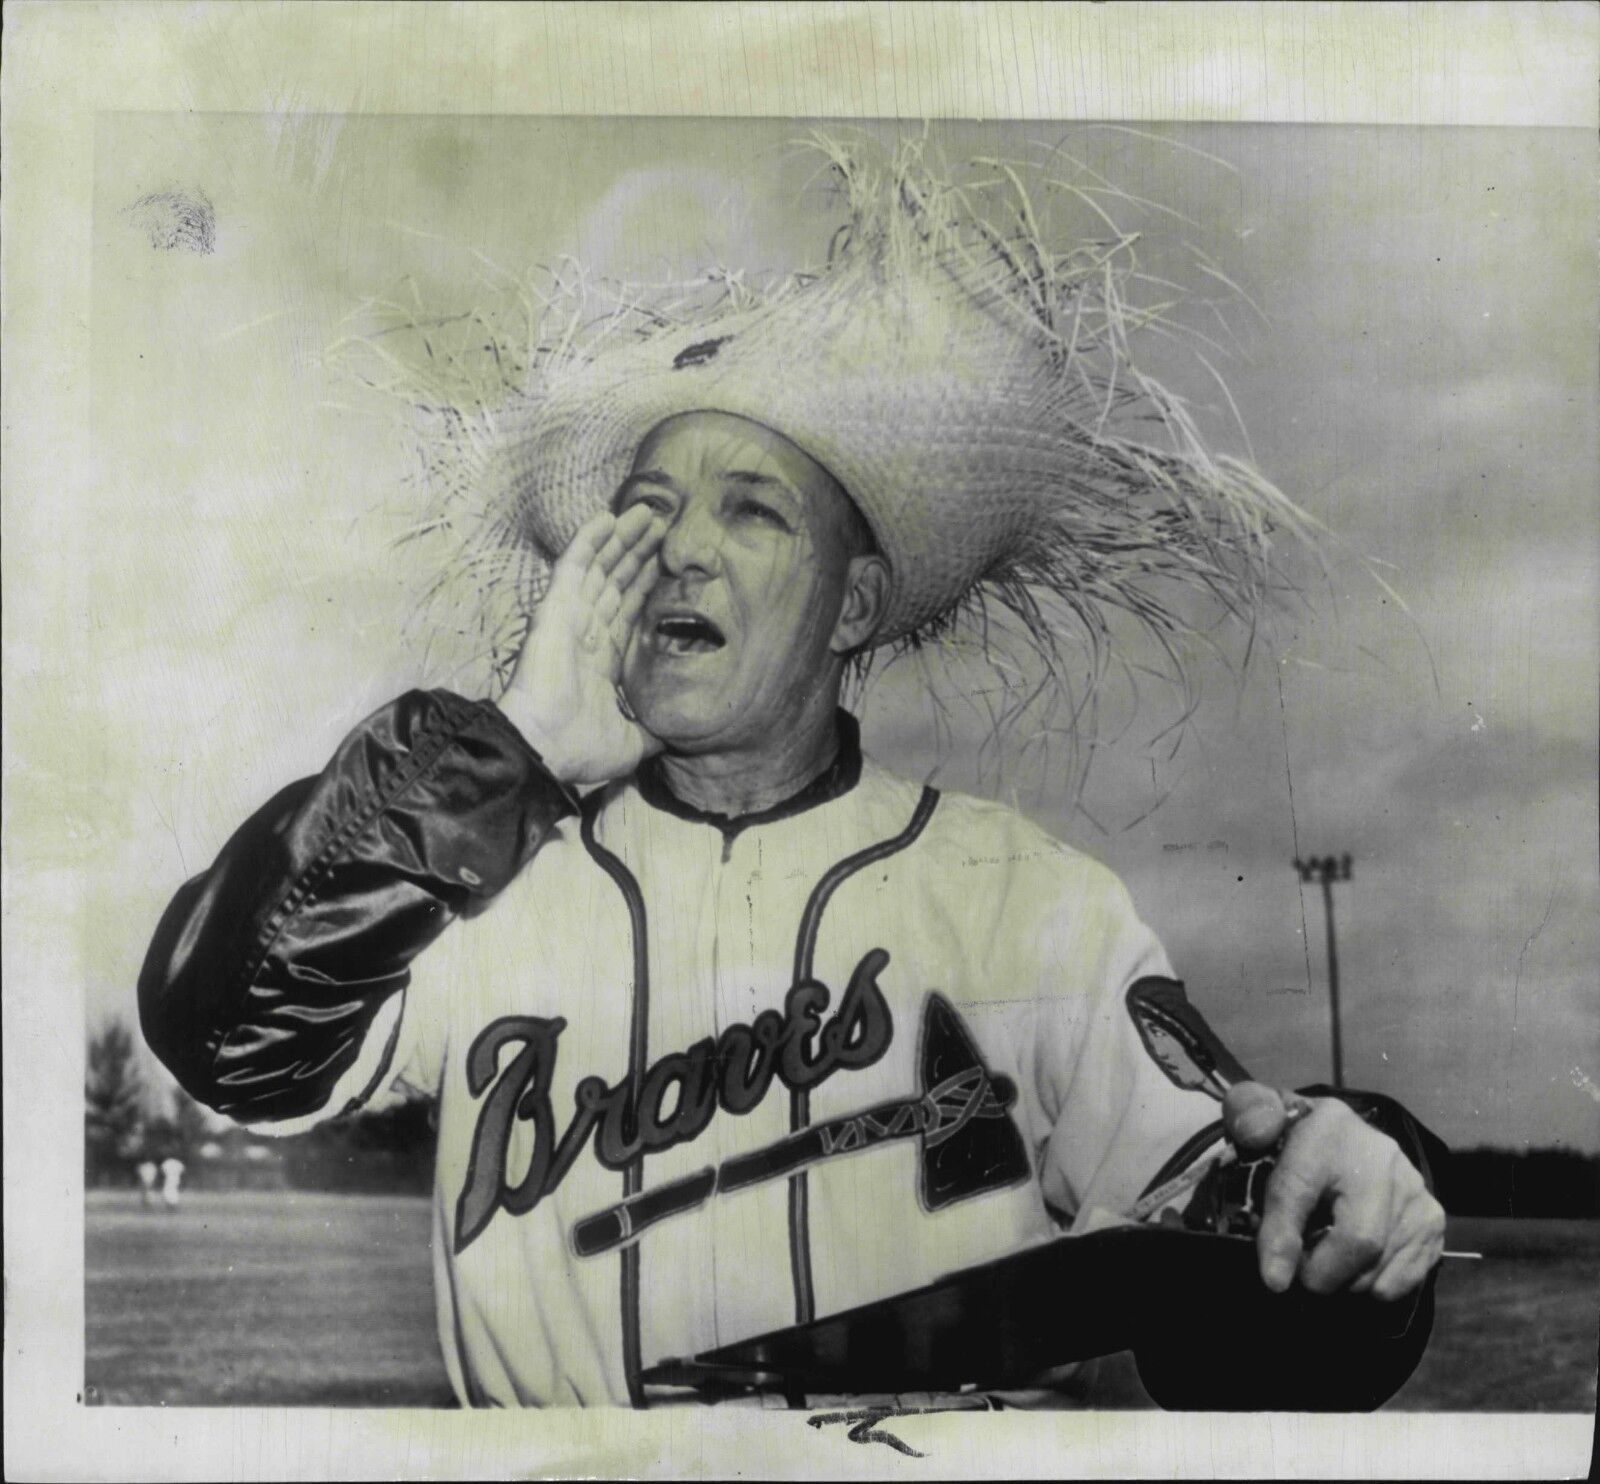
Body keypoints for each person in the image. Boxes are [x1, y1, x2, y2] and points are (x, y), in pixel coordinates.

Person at [139, 139, 1445, 1409]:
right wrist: (507, 758)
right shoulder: (484, 878)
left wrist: (1350, 1223)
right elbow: (228, 1033)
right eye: (647, 515)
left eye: (751, 512)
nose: (681, 556)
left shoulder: (1031, 905)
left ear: (854, 603)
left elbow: (1232, 1320)